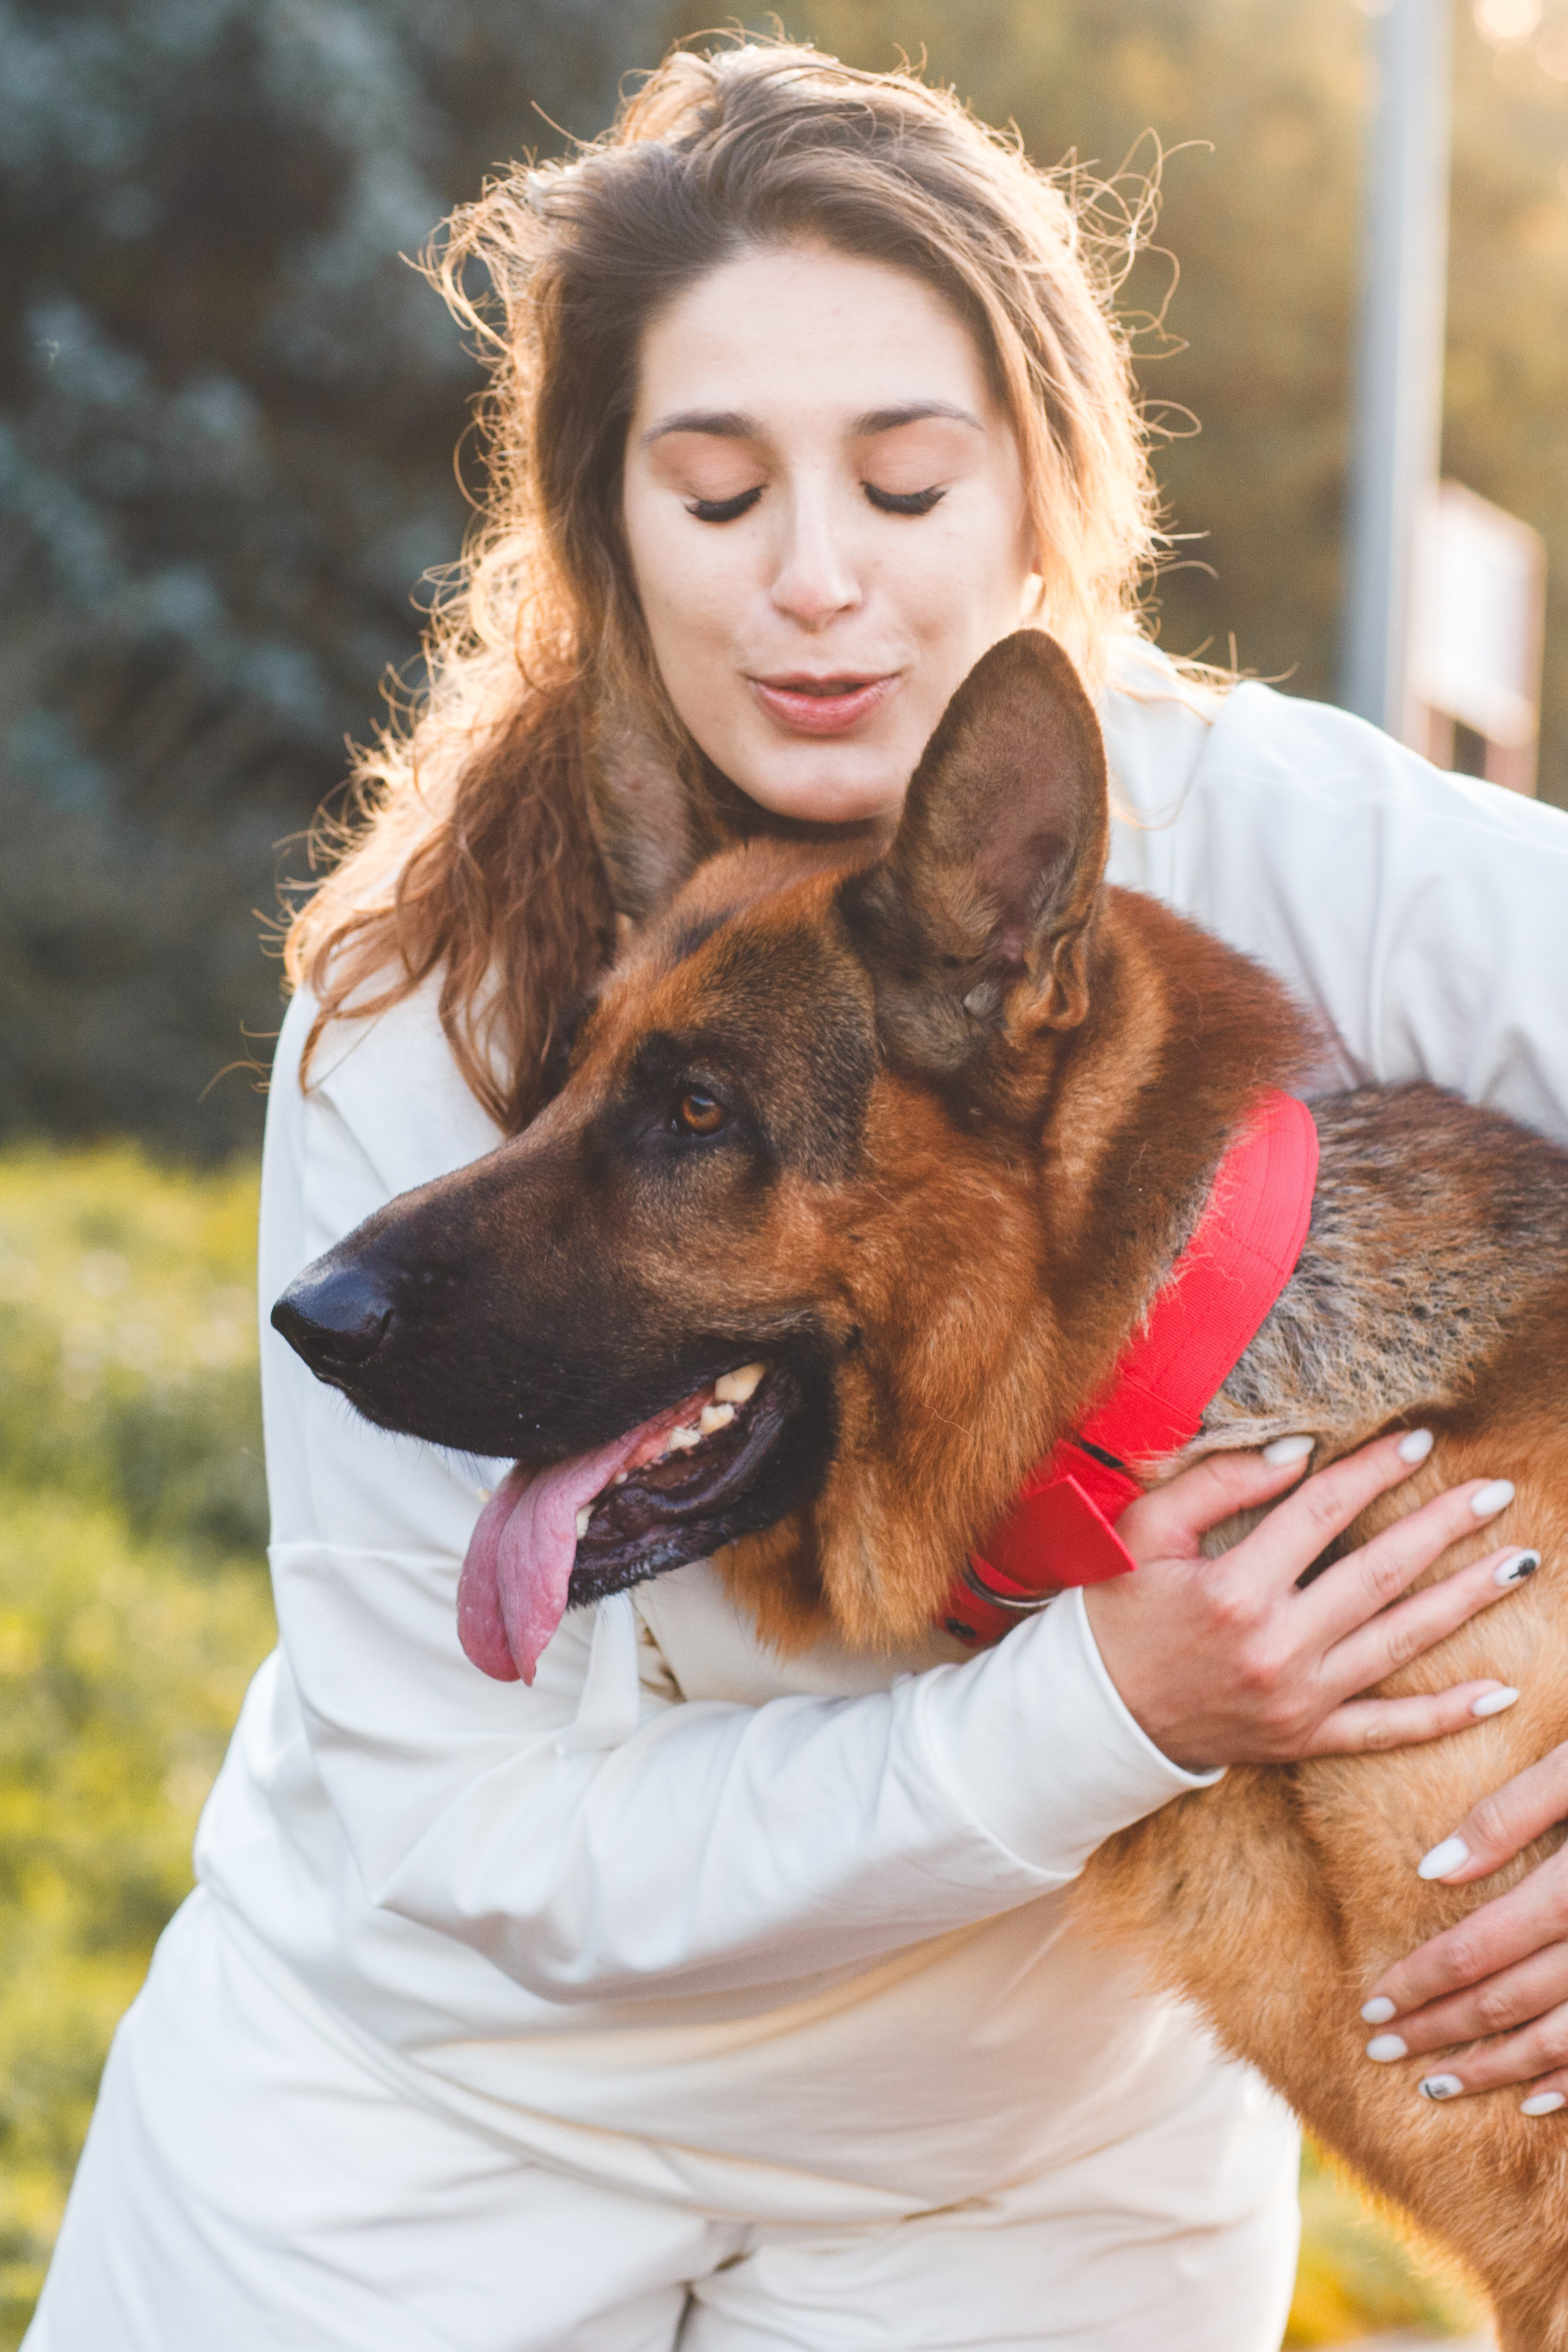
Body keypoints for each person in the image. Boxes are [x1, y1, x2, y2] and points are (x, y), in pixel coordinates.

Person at [25, 40, 1568, 2352]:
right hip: (435, 2123)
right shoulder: (410, 1006)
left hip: (1020, 2180)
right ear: (608, 525)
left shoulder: (1253, 821)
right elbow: (458, 1832)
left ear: (1040, 496)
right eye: (721, 490)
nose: (819, 583)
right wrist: (1108, 1701)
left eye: (907, 480)